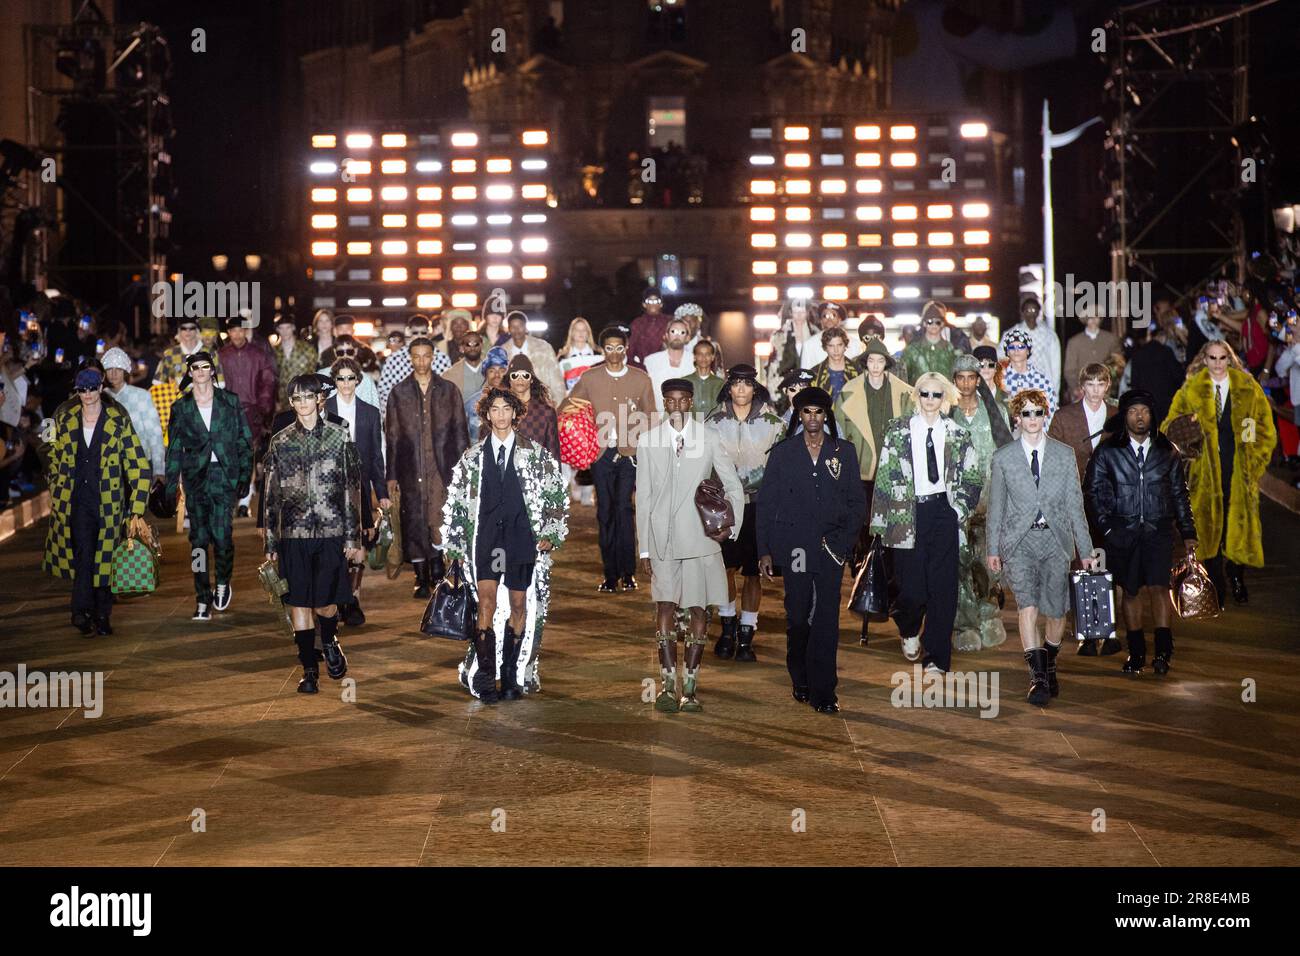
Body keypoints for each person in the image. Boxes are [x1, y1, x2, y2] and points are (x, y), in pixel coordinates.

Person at [443, 388, 569, 701]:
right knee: (486, 603)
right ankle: (486, 676)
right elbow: (458, 502)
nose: (500, 415)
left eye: (506, 409)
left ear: (515, 413)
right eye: (494, 409)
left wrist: (551, 533)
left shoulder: (535, 454)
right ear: (486, 415)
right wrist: (456, 545)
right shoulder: (472, 458)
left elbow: (556, 493)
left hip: (520, 538)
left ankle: (511, 676)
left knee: (517, 604)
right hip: (485, 539)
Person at [638, 379, 744, 712]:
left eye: (683, 400)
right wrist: (644, 547)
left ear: (691, 402)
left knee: (700, 609)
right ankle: (667, 686)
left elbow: (733, 485)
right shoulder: (647, 440)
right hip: (663, 539)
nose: (677, 405)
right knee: (665, 607)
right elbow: (642, 497)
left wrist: (731, 526)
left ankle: (691, 688)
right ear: (664, 403)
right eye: (671, 400)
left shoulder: (709, 438)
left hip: (701, 538)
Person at [758, 387, 865, 713]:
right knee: (799, 615)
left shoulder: (843, 452)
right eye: (807, 412)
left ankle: (824, 691)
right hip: (796, 548)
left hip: (831, 547)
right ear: (799, 415)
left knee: (827, 620)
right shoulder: (783, 453)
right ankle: (800, 676)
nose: (813, 418)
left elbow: (857, 503)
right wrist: (764, 549)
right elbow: (766, 504)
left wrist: (844, 544)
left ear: (826, 415)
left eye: (818, 412)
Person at [986, 389, 1096, 704]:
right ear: (1017, 418)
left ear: (1044, 415)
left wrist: (1085, 551)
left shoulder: (1063, 454)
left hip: (1055, 540)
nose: (1032, 419)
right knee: (1028, 606)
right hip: (1019, 541)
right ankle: (1037, 677)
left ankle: (1049, 661)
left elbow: (1076, 506)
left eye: (1038, 412)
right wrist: (993, 548)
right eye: (1026, 413)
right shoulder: (1003, 457)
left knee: (1056, 610)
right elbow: (996, 507)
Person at [869, 372, 983, 674]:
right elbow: (883, 476)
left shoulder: (957, 433)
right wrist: (879, 526)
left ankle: (936, 655)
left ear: (945, 398)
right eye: (924, 394)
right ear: (916, 396)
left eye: (936, 395)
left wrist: (958, 510)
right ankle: (908, 628)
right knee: (911, 589)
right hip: (905, 515)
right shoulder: (897, 431)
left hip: (943, 514)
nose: (930, 400)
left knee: (943, 589)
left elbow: (973, 476)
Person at [262, 374, 364, 694]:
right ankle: (309, 669)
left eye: (309, 397)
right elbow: (270, 495)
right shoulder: (280, 442)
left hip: (331, 530)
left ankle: (330, 637)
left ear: (320, 399)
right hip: (294, 533)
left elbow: (351, 488)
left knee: (325, 604)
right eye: (297, 399)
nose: (303, 404)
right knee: (299, 603)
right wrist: (270, 541)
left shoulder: (339, 435)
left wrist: (353, 538)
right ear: (291, 404)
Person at [1086, 388, 1197, 675]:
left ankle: (1163, 652)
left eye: (1144, 411)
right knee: (1131, 591)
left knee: (1160, 590)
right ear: (1124, 416)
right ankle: (1136, 654)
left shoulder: (1166, 450)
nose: (1139, 417)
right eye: (1133, 411)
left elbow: (1179, 493)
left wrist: (1188, 532)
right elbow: (1093, 492)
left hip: (1158, 530)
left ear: (1153, 416)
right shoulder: (1108, 451)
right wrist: (1108, 529)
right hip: (1123, 532)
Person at [1163, 341, 1276, 606]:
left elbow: (1263, 426)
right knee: (1209, 527)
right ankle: (1216, 585)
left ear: (1230, 358)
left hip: (1238, 468)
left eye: (1222, 358)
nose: (1217, 363)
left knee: (1236, 526)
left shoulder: (1247, 389)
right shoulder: (1191, 390)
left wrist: (1254, 462)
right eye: (1212, 357)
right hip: (1205, 471)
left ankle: (1236, 575)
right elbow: (1171, 425)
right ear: (1204, 359)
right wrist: (1187, 443)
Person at [42, 367, 151, 636]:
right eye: (82, 389)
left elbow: (138, 464)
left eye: (92, 388)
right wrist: (56, 490)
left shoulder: (118, 420)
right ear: (76, 391)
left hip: (110, 501)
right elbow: (52, 458)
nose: (88, 394)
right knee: (84, 556)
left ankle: (102, 615)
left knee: (105, 558)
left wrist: (136, 507)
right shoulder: (65, 420)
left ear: (101, 388)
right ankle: (81, 612)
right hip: (77, 500)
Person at [562, 324, 657, 592]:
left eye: (619, 347)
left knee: (625, 509)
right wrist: (580, 433)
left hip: (630, 454)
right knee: (605, 512)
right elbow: (569, 408)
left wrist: (645, 447)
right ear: (602, 350)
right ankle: (610, 574)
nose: (614, 353)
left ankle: (628, 573)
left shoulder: (641, 379)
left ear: (626, 348)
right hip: (600, 454)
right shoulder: (590, 378)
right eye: (609, 348)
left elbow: (651, 416)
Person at [164, 352, 254, 620]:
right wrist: (171, 485)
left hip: (224, 476)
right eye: (196, 367)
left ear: (213, 371)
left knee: (223, 537)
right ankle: (202, 596)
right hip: (196, 478)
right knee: (198, 542)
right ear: (190, 372)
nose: (201, 371)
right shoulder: (181, 407)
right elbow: (175, 448)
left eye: (206, 367)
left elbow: (244, 440)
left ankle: (223, 581)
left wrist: (244, 478)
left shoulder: (230, 401)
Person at [705, 365, 785, 661]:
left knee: (754, 572)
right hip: (725, 504)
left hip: (759, 505)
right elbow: (704, 463)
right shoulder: (713, 421)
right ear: (729, 388)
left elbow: (780, 467)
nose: (741, 390)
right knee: (724, 568)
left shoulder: (773, 422)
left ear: (755, 388)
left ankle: (747, 634)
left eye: (746, 384)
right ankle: (727, 628)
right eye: (736, 384)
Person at [385, 337, 470, 599]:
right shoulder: (399, 392)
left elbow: (460, 432)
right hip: (410, 465)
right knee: (413, 518)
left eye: (426, 356)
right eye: (416, 356)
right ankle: (420, 577)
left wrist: (464, 469)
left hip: (441, 464)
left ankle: (437, 571)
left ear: (433, 357)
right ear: (410, 358)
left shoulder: (448, 390)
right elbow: (392, 437)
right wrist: (392, 475)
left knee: (438, 516)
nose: (421, 361)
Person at [1047, 362, 1121, 656]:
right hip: (1074, 500)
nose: (1094, 391)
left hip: (1110, 501)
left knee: (1108, 562)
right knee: (1082, 563)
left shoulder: (1116, 417)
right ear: (1082, 387)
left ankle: (1109, 630)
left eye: (1100, 385)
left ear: (1107, 387)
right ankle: (1088, 632)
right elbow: (1051, 458)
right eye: (1089, 385)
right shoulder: (1064, 417)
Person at [949, 353, 1012, 652]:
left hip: (991, 503)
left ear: (978, 380)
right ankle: (965, 625)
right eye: (960, 378)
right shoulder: (946, 414)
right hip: (956, 505)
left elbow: (1009, 454)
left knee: (989, 566)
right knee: (959, 565)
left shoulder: (995, 411)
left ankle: (988, 616)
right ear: (954, 381)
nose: (965, 383)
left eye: (970, 377)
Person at [326, 356, 388, 626]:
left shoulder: (370, 413)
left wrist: (382, 492)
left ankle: (352, 599)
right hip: (330, 486)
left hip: (360, 485)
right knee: (337, 541)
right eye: (341, 378)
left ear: (358, 380)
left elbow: (376, 456)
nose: (346, 383)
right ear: (334, 380)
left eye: (351, 378)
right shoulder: (322, 409)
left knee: (361, 539)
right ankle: (339, 597)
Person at [218, 317, 277, 516]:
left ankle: (244, 501)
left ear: (245, 331)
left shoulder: (258, 354)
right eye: (232, 331)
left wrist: (263, 408)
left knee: (248, 455)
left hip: (252, 411)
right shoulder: (222, 355)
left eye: (239, 330)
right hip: (228, 412)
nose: (236, 334)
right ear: (228, 333)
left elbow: (267, 382)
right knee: (229, 455)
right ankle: (233, 496)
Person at [101, 347, 165, 482]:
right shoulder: (99, 397)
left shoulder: (141, 396)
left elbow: (154, 433)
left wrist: (159, 469)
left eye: (118, 369)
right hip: (108, 466)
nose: (113, 374)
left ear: (125, 371)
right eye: (109, 369)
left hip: (140, 463)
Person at [378, 314, 450, 416]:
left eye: (423, 333)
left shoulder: (442, 359)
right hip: (402, 417)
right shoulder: (394, 359)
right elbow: (384, 392)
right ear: (408, 331)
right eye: (415, 333)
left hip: (434, 417)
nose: (419, 336)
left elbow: (447, 392)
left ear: (429, 332)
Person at [1124, 323, 1186, 426]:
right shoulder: (1166, 351)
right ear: (1163, 337)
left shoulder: (1138, 355)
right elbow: (1178, 376)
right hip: (1167, 403)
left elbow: (1134, 384)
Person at [999, 296, 1061, 395]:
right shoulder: (1011, 334)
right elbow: (1001, 359)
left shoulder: (1049, 335)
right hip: (1018, 386)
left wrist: (1055, 392)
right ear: (1022, 313)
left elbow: (1055, 366)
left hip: (1042, 386)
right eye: (1028, 310)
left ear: (1038, 312)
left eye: (1034, 310)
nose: (1031, 313)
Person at [506, 354, 561, 459]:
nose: (520, 379)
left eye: (525, 375)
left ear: (531, 379)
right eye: (515, 375)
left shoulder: (546, 412)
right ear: (509, 379)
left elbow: (553, 453)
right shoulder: (499, 410)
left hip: (537, 472)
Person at [502, 310, 565, 400]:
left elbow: (557, 381)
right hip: (515, 404)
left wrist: (557, 405)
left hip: (542, 402)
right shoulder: (502, 352)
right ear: (508, 329)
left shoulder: (543, 348)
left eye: (520, 326)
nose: (517, 330)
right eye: (513, 326)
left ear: (526, 328)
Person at [1063, 310, 1120, 402]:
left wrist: (1110, 386)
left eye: (1096, 317)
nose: (1093, 320)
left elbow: (1117, 363)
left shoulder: (1110, 339)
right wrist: (1076, 388)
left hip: (1106, 391)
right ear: (1085, 320)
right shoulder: (1074, 342)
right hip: (1082, 391)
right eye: (1090, 318)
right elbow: (1069, 370)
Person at [1000, 328, 1057, 419]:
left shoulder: (1043, 382)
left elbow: (1051, 414)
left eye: (1021, 346)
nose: (1016, 350)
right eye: (1011, 347)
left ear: (1028, 351)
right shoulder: (999, 381)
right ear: (1007, 351)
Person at [764, 297, 817, 393]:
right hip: (786, 383)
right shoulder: (779, 335)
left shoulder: (815, 333)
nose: (799, 315)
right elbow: (773, 363)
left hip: (810, 382)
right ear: (790, 313)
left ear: (807, 313)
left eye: (802, 311)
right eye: (796, 312)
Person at [901, 300, 961, 384]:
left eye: (938, 322)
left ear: (942, 324)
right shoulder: (912, 350)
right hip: (919, 395)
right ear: (924, 324)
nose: (934, 325)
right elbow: (903, 378)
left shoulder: (951, 350)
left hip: (946, 395)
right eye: (929, 322)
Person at [643, 317, 695, 409]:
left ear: (687, 337)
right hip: (657, 417)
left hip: (687, 417)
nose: (677, 336)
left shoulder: (695, 361)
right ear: (666, 335)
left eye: (682, 332)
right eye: (673, 331)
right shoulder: (651, 361)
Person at [155, 319, 223, 388]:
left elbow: (219, 384)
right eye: (183, 328)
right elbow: (158, 383)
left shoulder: (211, 353)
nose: (188, 331)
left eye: (192, 328)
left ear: (197, 331)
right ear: (179, 331)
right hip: (178, 397)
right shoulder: (169, 354)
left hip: (205, 397)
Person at [317, 334, 379, 408]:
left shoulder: (366, 380)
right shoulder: (322, 375)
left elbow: (375, 409)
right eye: (341, 352)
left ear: (355, 351)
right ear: (334, 352)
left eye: (349, 352)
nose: (345, 356)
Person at [271, 316, 318, 412]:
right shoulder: (273, 351)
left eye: (288, 327)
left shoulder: (307, 349)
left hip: (304, 397)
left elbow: (313, 374)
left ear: (293, 328)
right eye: (281, 328)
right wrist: (274, 401)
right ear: (277, 330)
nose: (285, 331)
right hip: (282, 399)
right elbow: (271, 379)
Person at [800, 302, 862, 368]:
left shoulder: (855, 344)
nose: (829, 319)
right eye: (825, 316)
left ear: (839, 320)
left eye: (833, 315)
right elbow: (804, 373)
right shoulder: (809, 345)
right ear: (821, 321)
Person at [467, 347, 508, 443]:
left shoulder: (516, 402)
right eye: (492, 371)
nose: (497, 375)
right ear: (485, 373)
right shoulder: (471, 405)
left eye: (501, 370)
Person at [809, 327, 861, 402]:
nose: (836, 350)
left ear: (845, 346)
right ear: (825, 347)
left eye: (839, 345)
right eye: (831, 346)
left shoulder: (858, 371)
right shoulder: (815, 374)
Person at [681, 339, 724, 419]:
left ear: (712, 357)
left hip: (715, 429)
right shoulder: (684, 382)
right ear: (694, 357)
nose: (703, 358)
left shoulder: (721, 384)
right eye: (700, 354)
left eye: (707, 354)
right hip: (692, 429)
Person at [557, 316, 601, 392]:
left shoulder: (599, 354)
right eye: (577, 330)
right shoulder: (563, 356)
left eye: (584, 330)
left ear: (588, 333)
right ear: (572, 333)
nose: (581, 333)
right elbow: (558, 382)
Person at [627, 292, 670, 369]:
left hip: (665, 366)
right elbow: (630, 348)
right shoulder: (637, 323)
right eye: (649, 301)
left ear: (661, 304)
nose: (653, 304)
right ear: (644, 304)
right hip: (643, 366)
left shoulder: (669, 322)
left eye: (656, 301)